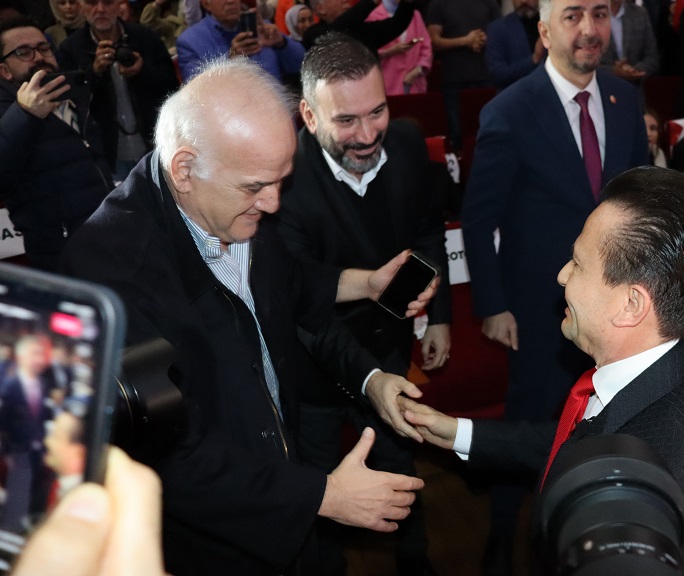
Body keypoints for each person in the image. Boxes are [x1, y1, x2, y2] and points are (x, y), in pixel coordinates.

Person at [60, 56, 432, 576]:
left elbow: (293, 288)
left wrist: (366, 294)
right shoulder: (106, 270)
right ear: (184, 169)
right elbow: (166, 452)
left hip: (282, 484)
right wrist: (320, 496)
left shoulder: (235, 202)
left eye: (281, 180)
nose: (274, 203)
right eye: (256, 187)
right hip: (208, 541)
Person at [401, 166, 684, 576]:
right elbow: (581, 440)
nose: (562, 275)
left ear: (631, 305)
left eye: (578, 264)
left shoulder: (680, 488)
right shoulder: (668, 361)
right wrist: (458, 432)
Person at [459, 0, 647, 570]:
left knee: (610, 422)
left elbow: (640, 202)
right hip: (539, 310)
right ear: (543, 30)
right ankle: (501, 536)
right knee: (530, 424)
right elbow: (477, 219)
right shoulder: (509, 110)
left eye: (599, 13)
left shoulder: (625, 98)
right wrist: (493, 305)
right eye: (572, 16)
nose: (589, 28)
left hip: (617, 307)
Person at [279, 33, 450, 576]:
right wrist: (368, 371)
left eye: (377, 111)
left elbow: (428, 230)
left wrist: (436, 314)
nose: (369, 134)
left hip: (390, 350)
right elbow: (298, 292)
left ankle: (415, 559)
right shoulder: (281, 180)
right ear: (309, 116)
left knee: (402, 470)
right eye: (347, 121)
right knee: (323, 491)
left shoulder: (406, 141)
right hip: (313, 369)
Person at [0, 18, 112, 271]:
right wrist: (25, 114)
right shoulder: (9, 112)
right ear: (4, 70)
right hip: (60, 251)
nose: (39, 57)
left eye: (44, 48)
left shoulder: (73, 95)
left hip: (108, 234)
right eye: (23, 52)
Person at [58, 0, 178, 180]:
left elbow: (172, 88)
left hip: (155, 143)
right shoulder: (70, 48)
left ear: (119, 5)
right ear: (81, 6)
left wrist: (142, 71)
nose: (100, 9)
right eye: (91, 2)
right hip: (107, 152)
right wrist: (94, 73)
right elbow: (69, 103)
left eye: (107, 2)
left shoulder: (144, 37)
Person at [12, 447, 167, 576]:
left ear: (78, 452)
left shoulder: (71, 492)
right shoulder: (46, 483)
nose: (48, 442)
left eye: (57, 437)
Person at [425, 0, 500, 149]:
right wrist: (465, 41)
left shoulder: (489, 2)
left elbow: (501, 31)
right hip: (454, 81)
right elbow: (433, 41)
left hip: (486, 79)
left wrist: (483, 39)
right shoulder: (438, 3)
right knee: (457, 136)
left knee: (491, 132)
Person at [175, 0, 304, 83]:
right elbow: (196, 91)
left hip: (277, 109)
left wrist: (282, 43)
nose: (231, 1)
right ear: (206, 4)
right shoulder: (189, 42)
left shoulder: (262, 28)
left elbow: (301, 65)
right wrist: (230, 61)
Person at [0, 336, 52, 531]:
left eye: (41, 354)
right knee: (16, 501)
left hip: (38, 452)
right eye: (34, 354)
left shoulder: (42, 384)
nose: (39, 359)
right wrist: (7, 454)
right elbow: (2, 424)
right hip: (17, 453)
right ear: (20, 357)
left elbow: (41, 417)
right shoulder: (8, 386)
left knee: (33, 496)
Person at [366, 0, 433, 95]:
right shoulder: (372, 15)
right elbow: (365, 54)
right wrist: (389, 52)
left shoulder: (415, 15)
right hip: (386, 85)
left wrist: (418, 69)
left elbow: (426, 46)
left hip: (414, 84)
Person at [302, 0, 416, 52]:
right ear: (320, 8)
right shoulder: (313, 35)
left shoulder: (358, 28)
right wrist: (371, 2)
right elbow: (336, 30)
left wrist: (407, 3)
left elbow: (396, 25)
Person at [484, 0, 545, 91]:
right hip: (515, 94)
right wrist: (534, 59)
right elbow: (496, 75)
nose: (523, 1)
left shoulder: (551, 25)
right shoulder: (497, 29)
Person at [598, 0, 659, 87]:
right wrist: (613, 71)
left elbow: (652, 57)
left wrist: (634, 70)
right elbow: (583, 61)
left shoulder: (640, 14)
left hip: (633, 88)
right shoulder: (591, 16)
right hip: (601, 88)